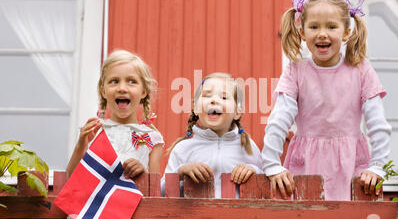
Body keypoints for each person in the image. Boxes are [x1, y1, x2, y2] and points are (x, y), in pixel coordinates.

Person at [262, 0, 391, 202]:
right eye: (314, 27)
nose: (322, 33)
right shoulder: (296, 70)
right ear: (302, 32)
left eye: (331, 26)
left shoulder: (361, 70)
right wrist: (271, 163)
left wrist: (378, 166)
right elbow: (279, 119)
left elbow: (377, 123)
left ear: (346, 32)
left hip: (350, 162)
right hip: (306, 162)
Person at [162, 72, 263, 198]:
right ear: (196, 108)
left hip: (237, 216)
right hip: (195, 216)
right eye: (207, 95)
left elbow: (267, 188)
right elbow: (161, 192)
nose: (214, 100)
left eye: (224, 97)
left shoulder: (248, 147)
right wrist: (180, 173)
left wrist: (255, 171)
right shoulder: (183, 149)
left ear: (237, 112)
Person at [66, 49, 164, 179]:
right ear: (103, 91)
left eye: (131, 81)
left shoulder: (152, 138)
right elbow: (70, 180)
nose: (122, 88)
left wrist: (142, 173)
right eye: (114, 81)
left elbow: (154, 192)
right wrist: (80, 146)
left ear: (144, 91)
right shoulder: (94, 131)